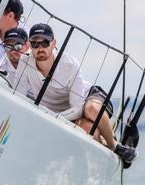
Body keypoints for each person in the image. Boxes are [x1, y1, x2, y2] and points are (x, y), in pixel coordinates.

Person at [16, 23, 137, 163]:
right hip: (64, 113)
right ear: (30, 46)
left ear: (54, 43)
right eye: (35, 44)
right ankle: (98, 160)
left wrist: (52, 118)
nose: (40, 48)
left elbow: (78, 108)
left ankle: (114, 145)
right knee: (89, 129)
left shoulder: (69, 64)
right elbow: (19, 96)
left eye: (44, 42)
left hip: (87, 99)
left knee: (91, 110)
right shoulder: (25, 62)